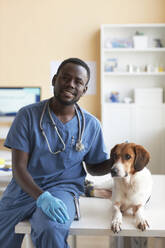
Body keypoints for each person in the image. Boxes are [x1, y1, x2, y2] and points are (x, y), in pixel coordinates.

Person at [0, 58, 112, 248]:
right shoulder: (27, 115)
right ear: (54, 80)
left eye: (78, 82)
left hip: (62, 190)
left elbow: (94, 167)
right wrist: (41, 196)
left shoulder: (91, 125)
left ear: (84, 89)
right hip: (23, 189)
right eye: (65, 78)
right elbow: (18, 168)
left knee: (51, 229)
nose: (70, 84)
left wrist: (117, 161)